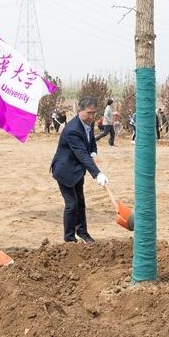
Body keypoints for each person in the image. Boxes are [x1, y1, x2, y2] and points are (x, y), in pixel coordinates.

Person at [51, 96, 108, 243]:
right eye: (88, 113)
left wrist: (93, 150)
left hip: (77, 171)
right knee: (72, 205)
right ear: (79, 111)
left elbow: (91, 139)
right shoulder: (72, 130)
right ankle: (69, 239)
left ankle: (82, 232)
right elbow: (82, 154)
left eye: (94, 113)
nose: (91, 116)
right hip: (64, 171)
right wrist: (97, 174)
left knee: (81, 203)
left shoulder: (89, 123)